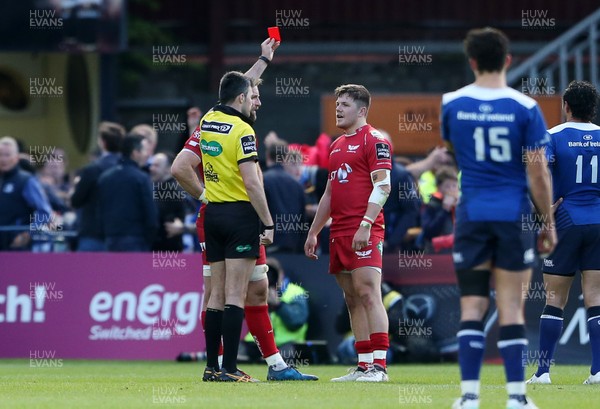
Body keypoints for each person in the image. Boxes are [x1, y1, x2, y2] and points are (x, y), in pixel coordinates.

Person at [172, 39, 316, 382]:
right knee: (230, 293)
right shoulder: (242, 130)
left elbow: (239, 86)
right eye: (254, 97)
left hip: (215, 215)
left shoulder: (209, 118)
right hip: (239, 215)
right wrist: (266, 220)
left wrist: (264, 60)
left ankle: (249, 365)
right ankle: (227, 366)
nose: (258, 100)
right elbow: (248, 182)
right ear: (242, 100)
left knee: (247, 289)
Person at [442, 27, 556, 409]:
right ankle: (516, 398)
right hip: (513, 216)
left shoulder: (451, 104)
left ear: (471, 61)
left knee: (471, 307)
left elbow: (453, 153)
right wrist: (548, 222)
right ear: (508, 60)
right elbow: (537, 172)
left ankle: (469, 397)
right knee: (511, 306)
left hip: (472, 217)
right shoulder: (525, 108)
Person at [305, 84, 393, 382]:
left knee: (369, 293)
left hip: (366, 230)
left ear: (362, 110)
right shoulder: (336, 145)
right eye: (337, 104)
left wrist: (366, 224)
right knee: (352, 298)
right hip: (339, 232)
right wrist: (314, 231)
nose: (338, 109)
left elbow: (383, 186)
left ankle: (380, 367)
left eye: (344, 104)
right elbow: (329, 194)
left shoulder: (375, 140)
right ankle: (364, 364)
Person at [527, 80, 600, 385]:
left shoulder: (552, 136)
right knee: (595, 296)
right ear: (593, 108)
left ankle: (543, 372)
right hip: (598, 220)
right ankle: (597, 372)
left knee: (555, 298)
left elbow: (536, 175)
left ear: (566, 106)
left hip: (565, 219)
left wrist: (544, 213)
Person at [97, 134, 158, 251]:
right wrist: (149, 240)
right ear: (135, 153)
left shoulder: (105, 178)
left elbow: (99, 211)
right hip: (136, 242)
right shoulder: (141, 178)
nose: (147, 155)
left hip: (109, 240)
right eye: (144, 150)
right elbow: (151, 214)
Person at [243, 257, 310, 362]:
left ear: (281, 274)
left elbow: (297, 321)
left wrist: (279, 306)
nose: (268, 278)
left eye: (271, 274)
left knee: (286, 356)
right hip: (255, 343)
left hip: (287, 343)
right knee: (237, 354)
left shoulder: (296, 292)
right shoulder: (252, 291)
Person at [71, 121, 125, 251]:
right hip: (121, 234)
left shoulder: (92, 170)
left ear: (102, 142)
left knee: (87, 271)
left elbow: (76, 200)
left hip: (93, 234)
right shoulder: (131, 169)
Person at [0, 136, 52, 250]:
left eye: (7, 155)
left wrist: (28, 234)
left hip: (15, 246)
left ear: (16, 157)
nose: (3, 159)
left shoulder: (26, 180)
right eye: (0, 155)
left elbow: (44, 212)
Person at [263, 140, 307, 253]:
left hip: (267, 245)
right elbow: (303, 220)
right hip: (292, 246)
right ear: (286, 157)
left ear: (268, 156)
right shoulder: (297, 185)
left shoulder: (261, 181)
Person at [149, 152, 186, 251]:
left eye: (156, 165)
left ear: (168, 168)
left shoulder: (170, 189)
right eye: (152, 165)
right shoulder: (165, 188)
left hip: (166, 250)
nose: (151, 168)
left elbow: (155, 215)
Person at [419, 166, 459, 254]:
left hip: (457, 250)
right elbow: (429, 233)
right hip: (437, 253)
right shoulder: (431, 206)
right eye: (447, 186)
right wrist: (444, 210)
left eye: (454, 186)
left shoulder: (461, 206)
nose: (452, 190)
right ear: (439, 188)